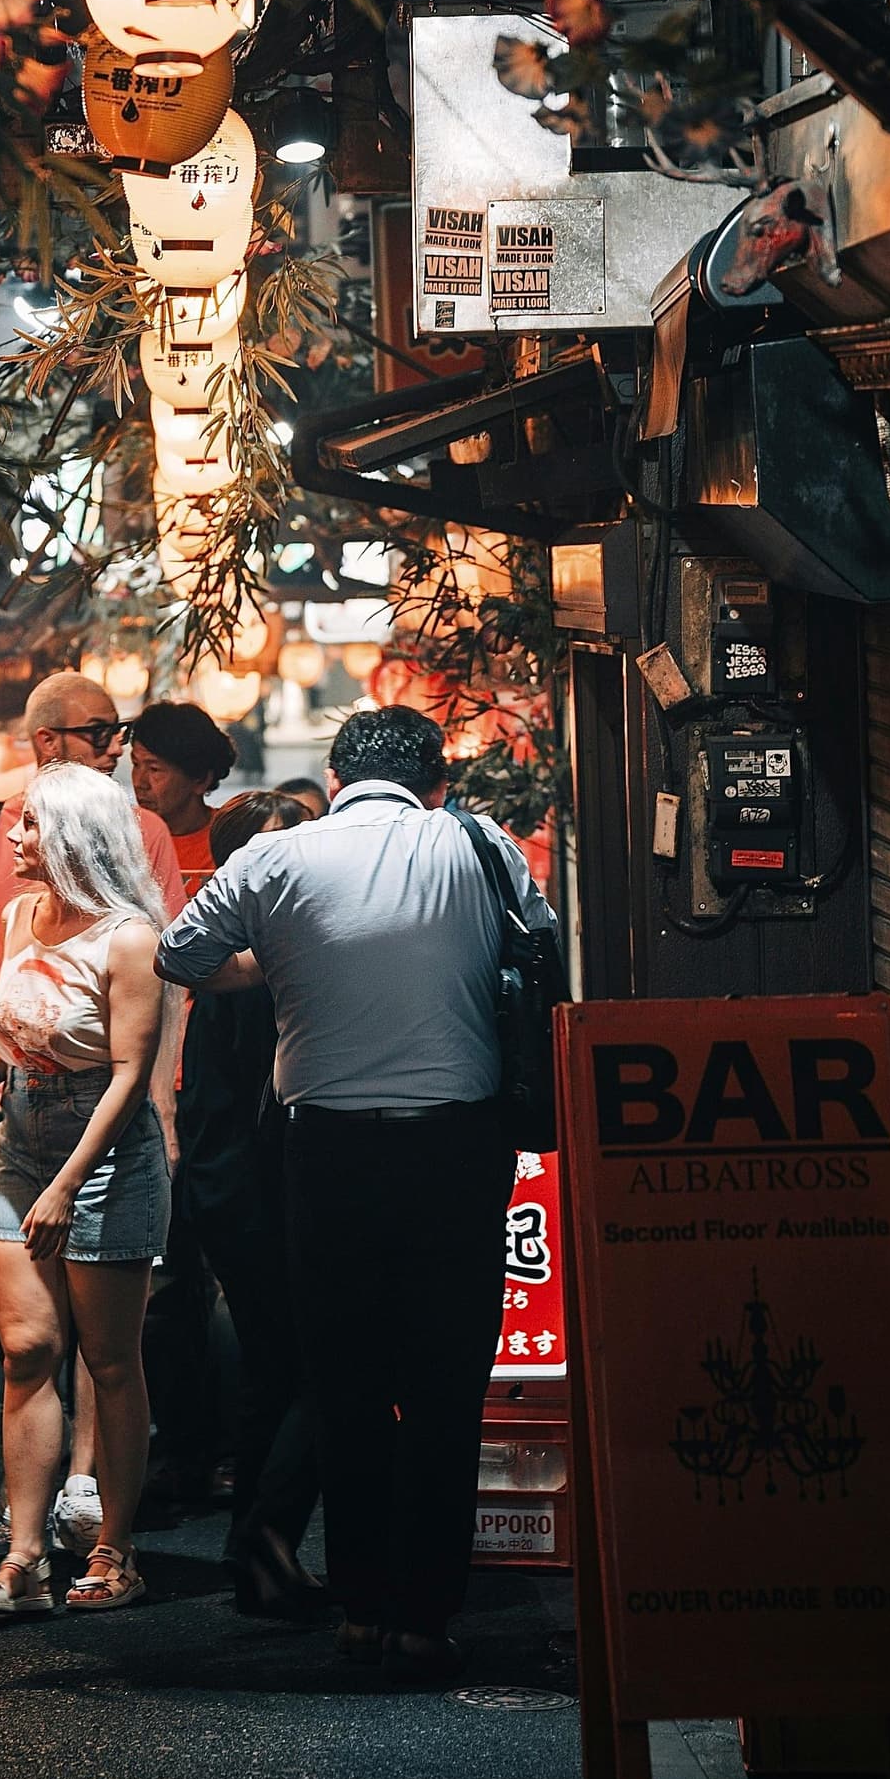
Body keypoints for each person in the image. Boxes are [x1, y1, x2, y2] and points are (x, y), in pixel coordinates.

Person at [156, 704, 556, 1676]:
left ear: (335, 778)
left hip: (325, 1157)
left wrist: (284, 966)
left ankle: (363, 1611)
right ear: (437, 782)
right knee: (446, 1387)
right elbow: (539, 945)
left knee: (347, 1388)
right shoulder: (480, 842)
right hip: (457, 1153)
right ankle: (426, 1616)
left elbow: (182, 956)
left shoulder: (277, 859)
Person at [0, 671, 185, 1555]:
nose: (18, 833)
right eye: (105, 730)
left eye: (34, 824)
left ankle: (107, 1535)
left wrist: (87, 1170)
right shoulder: (13, 897)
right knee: (27, 1345)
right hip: (23, 1130)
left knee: (109, 1356)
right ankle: (26, 1551)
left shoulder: (130, 932)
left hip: (101, 1145)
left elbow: (134, 1056)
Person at [176, 792, 326, 1617]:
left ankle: (261, 1549)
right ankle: (264, 1539)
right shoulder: (248, 963)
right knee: (314, 1364)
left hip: (243, 1192)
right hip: (257, 1197)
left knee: (281, 1370)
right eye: (279, 848)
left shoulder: (250, 953)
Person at [129, 700, 239, 1503]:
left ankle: (237, 1438)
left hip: (228, 1084)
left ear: (202, 775)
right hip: (154, 1085)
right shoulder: (128, 846)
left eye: (156, 766)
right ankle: (181, 1445)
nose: (139, 777)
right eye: (134, 762)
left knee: (233, 1273)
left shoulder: (237, 842)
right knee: (164, 1289)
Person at [129, 700, 238, 895]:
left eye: (154, 769)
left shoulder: (231, 837)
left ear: (200, 780)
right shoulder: (124, 839)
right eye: (136, 764)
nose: (139, 782)